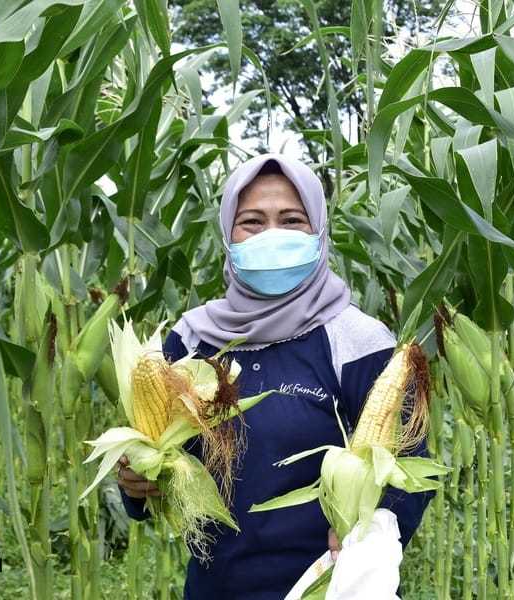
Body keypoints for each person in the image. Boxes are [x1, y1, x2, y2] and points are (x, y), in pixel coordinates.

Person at [115, 153, 434, 599]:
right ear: (228, 234)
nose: (272, 236)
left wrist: (369, 540)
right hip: (215, 588)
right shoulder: (189, 341)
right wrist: (135, 482)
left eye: (291, 220)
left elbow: (407, 468)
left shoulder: (358, 341)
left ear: (319, 232)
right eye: (252, 222)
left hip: (328, 585)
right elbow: (154, 462)